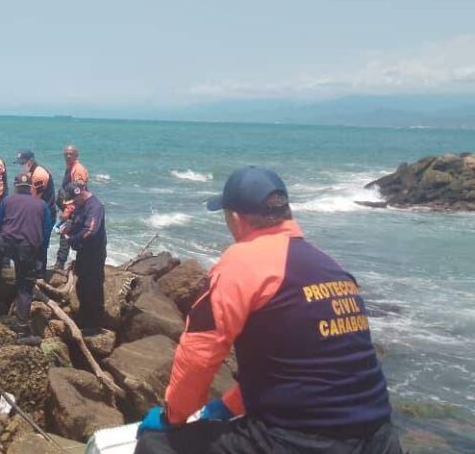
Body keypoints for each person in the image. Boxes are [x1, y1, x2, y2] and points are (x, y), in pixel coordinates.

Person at [135, 167, 401, 454]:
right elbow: (299, 367)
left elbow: (198, 355)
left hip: (300, 440)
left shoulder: (242, 261)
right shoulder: (330, 267)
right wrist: (226, 406)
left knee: (154, 444)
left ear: (235, 218)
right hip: (380, 437)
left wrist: (171, 417)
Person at [0, 173, 52, 345]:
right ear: (30, 187)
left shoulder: (7, 201)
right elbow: (46, 232)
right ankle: (21, 331)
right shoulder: (42, 205)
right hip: (28, 249)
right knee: (25, 289)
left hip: (7, 245)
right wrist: (41, 256)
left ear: (16, 186)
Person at [60, 182, 106, 335]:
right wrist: (69, 228)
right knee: (82, 286)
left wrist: (71, 239)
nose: (73, 203)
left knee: (92, 287)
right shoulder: (82, 205)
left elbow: (89, 231)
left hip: (94, 253)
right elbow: (78, 222)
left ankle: (93, 324)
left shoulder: (95, 207)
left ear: (81, 194)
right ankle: (84, 318)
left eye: (74, 200)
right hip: (84, 251)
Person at [54, 145, 89, 270]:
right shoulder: (70, 167)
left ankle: (60, 264)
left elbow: (78, 194)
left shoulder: (78, 170)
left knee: (67, 234)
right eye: (66, 154)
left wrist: (67, 212)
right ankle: (65, 262)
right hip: (70, 208)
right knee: (69, 234)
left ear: (76, 155)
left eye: (71, 154)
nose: (68, 156)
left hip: (75, 209)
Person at [15, 149, 57, 219]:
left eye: (22, 163)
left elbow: (35, 199)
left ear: (31, 161)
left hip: (45, 214)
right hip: (39, 211)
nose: (21, 166)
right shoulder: (31, 172)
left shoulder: (39, 174)